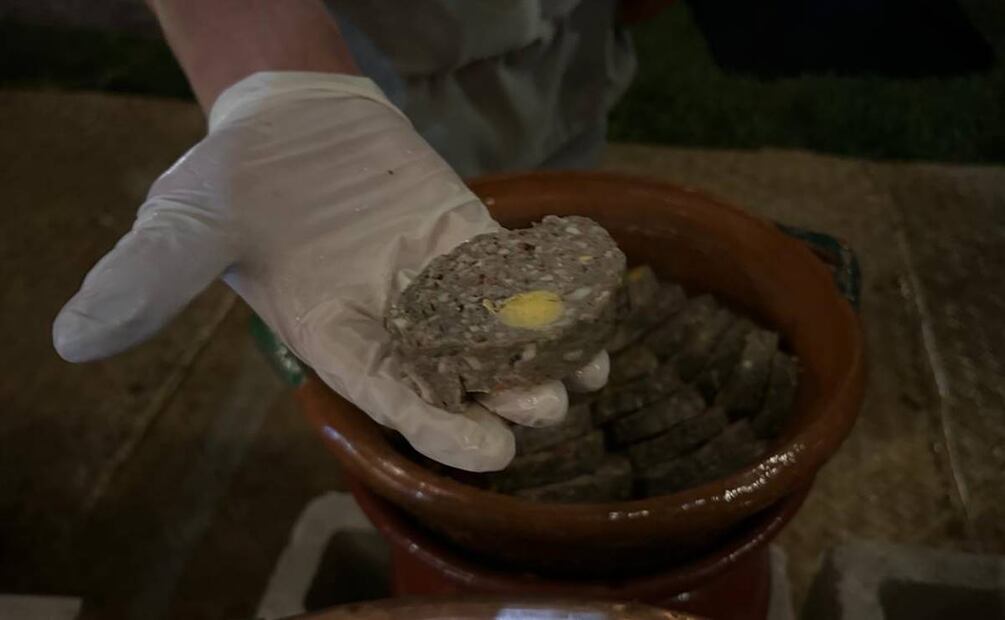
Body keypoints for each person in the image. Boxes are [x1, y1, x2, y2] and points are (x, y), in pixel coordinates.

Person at [52, 0, 651, 472]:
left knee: (557, 145)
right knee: (359, 351)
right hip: (368, 49)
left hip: (563, 43)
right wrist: (280, 77)